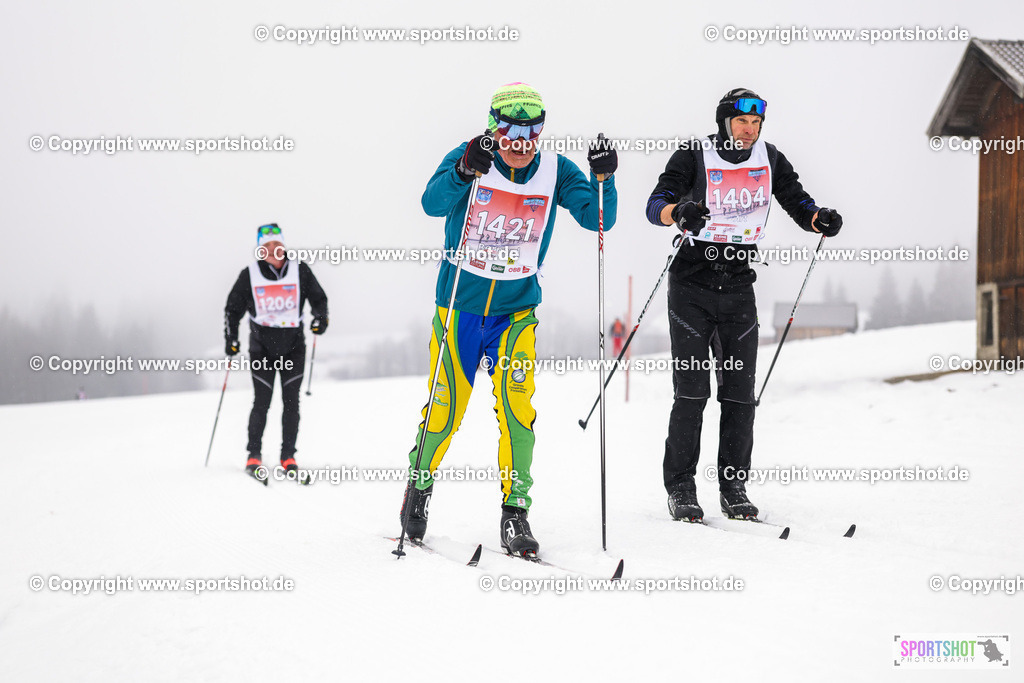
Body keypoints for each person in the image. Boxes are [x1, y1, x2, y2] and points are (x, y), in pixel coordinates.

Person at [401, 82, 618, 557]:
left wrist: (605, 180)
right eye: (511, 133)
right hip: (458, 309)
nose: (520, 145)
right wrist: (463, 172)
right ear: (494, 129)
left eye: (531, 134)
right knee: (445, 412)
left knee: (518, 411)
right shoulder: (470, 155)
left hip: (516, 315)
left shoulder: (556, 170)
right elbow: (431, 203)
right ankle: (418, 490)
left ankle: (515, 514)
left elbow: (598, 219)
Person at [646, 88, 842, 522]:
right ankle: (681, 487)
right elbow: (654, 205)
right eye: (741, 123)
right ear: (724, 123)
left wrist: (818, 219)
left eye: (755, 124)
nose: (749, 131)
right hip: (691, 285)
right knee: (693, 391)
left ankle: (734, 487)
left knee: (739, 396)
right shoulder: (693, 155)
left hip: (738, 285)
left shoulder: (769, 158)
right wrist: (680, 212)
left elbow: (796, 200)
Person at [224, 224, 329, 480]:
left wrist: (320, 319)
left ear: (283, 246)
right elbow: (232, 309)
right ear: (261, 250)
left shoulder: (300, 270)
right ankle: (254, 455)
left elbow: (319, 299)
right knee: (262, 402)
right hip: (262, 348)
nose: (273, 250)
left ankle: (288, 456)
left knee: (291, 403)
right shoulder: (249, 274)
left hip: (294, 347)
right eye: (267, 247)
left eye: (277, 245)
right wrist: (231, 339)